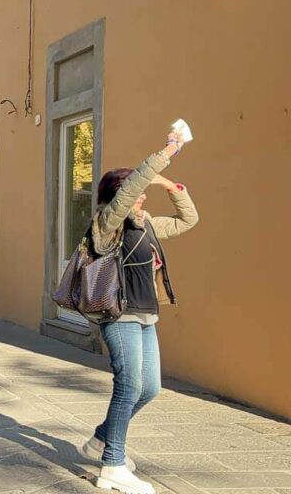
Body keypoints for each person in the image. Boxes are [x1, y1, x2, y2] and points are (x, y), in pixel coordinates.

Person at [83, 132, 197, 494]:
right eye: (136, 190)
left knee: (150, 388)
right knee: (129, 385)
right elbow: (131, 189)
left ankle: (102, 439)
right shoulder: (107, 224)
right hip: (119, 315)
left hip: (147, 315)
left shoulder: (145, 224)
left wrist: (172, 187)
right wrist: (168, 152)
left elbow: (187, 220)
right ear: (118, 195)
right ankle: (112, 466)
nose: (142, 195)